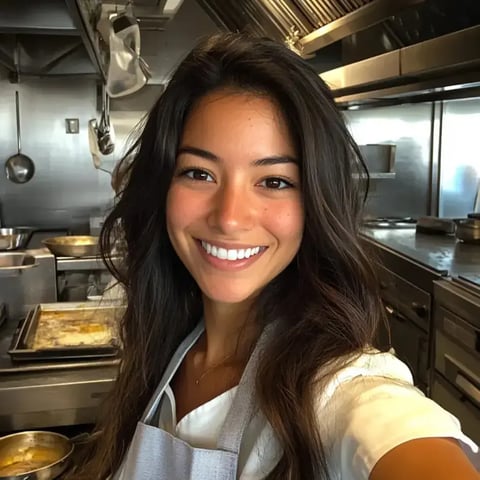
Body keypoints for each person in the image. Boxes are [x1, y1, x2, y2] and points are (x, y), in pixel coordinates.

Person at [71, 33, 480, 480]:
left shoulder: (335, 388)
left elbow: (393, 430)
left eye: (274, 181)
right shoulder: (162, 346)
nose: (229, 218)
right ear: (162, 186)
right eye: (199, 173)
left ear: (315, 202)